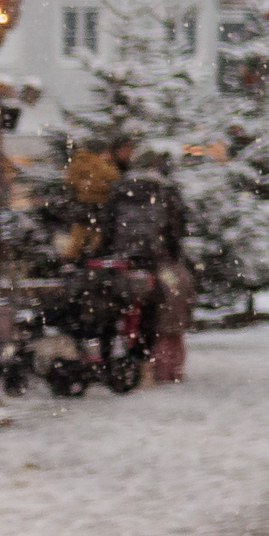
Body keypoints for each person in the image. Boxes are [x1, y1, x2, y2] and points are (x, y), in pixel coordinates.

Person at [106, 141, 189, 385]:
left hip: (123, 257)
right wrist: (171, 253)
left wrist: (115, 249)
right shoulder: (167, 190)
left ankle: (126, 358)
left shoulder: (120, 188)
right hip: (156, 257)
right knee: (159, 306)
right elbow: (176, 227)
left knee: (123, 305)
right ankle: (157, 367)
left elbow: (108, 222)